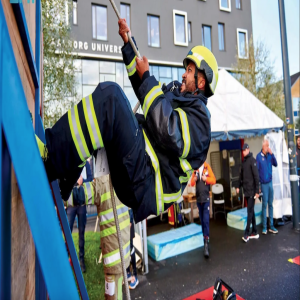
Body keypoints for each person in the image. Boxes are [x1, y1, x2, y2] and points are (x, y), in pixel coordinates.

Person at [36, 18, 219, 222]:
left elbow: (167, 129)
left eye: (190, 71)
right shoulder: (178, 98)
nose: (184, 75)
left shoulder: (200, 121)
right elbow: (146, 92)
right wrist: (128, 44)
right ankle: (64, 181)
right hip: (139, 167)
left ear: (202, 81)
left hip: (145, 180)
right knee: (104, 111)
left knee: (111, 99)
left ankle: (48, 158)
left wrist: (149, 80)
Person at [94, 174, 130, 300]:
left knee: (112, 296)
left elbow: (79, 195)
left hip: (113, 259)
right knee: (117, 292)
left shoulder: (101, 183)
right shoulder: (123, 176)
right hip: (123, 254)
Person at [65, 161, 93, 272]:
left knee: (82, 232)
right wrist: (74, 179)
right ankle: (66, 258)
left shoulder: (86, 164)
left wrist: (83, 181)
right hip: (71, 204)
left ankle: (81, 260)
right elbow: (64, 179)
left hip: (82, 203)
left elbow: (90, 179)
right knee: (68, 231)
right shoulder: (71, 161)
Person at [190, 161, 216, 258]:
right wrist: (195, 179)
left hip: (206, 199)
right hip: (199, 199)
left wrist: (206, 179)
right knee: (202, 221)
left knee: (206, 221)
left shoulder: (207, 167)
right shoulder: (195, 170)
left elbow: (214, 180)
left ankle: (206, 242)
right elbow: (191, 183)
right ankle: (205, 238)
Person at [236, 144, 260, 243]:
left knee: (249, 211)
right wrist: (238, 186)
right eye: (242, 150)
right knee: (251, 211)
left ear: (248, 150)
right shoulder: (243, 162)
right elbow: (241, 176)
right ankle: (255, 231)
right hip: (246, 190)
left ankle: (246, 233)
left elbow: (256, 176)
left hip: (252, 191)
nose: (243, 152)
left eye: (245, 150)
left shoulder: (252, 161)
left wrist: (257, 190)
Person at [256, 139, 278, 235]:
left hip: (270, 182)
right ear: (263, 146)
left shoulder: (269, 156)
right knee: (264, 205)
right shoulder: (258, 156)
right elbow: (257, 172)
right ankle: (264, 227)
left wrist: (272, 154)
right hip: (264, 184)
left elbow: (276, 164)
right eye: (266, 145)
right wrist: (259, 186)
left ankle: (271, 226)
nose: (268, 147)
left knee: (270, 204)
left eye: (268, 145)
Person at [126, 209, 139, 289]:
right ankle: (128, 273)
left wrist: (130, 220)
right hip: (122, 221)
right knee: (125, 249)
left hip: (127, 221)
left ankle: (135, 276)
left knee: (130, 248)